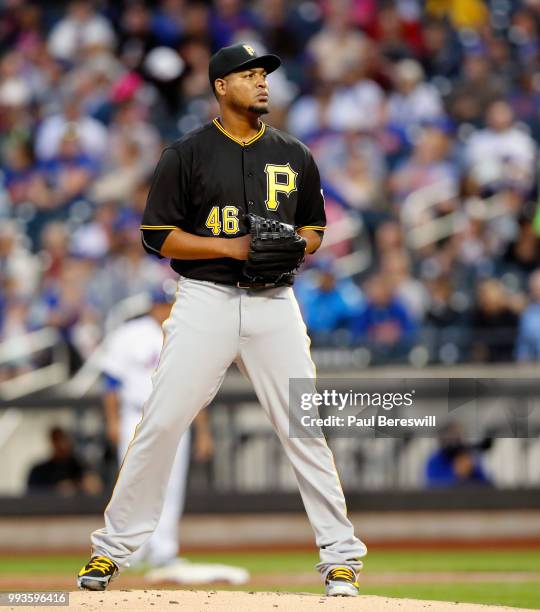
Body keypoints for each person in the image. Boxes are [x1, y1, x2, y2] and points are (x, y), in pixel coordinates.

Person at [77, 43, 366, 597]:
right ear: (220, 86)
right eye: (249, 75)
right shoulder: (185, 154)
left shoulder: (294, 153)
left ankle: (341, 557)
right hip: (205, 298)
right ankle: (110, 551)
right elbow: (157, 235)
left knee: (305, 428)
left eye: (264, 75)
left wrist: (294, 246)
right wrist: (234, 248)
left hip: (275, 303)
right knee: (160, 423)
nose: (261, 83)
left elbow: (314, 228)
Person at [100, 288, 247, 584]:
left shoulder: (187, 331)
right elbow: (111, 381)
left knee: (172, 483)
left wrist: (203, 431)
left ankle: (163, 549)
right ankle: (127, 549)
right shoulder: (130, 334)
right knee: (131, 481)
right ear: (151, 305)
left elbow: (197, 386)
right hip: (136, 414)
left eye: (169, 303)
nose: (163, 308)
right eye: (160, 303)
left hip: (177, 415)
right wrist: (112, 421)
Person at [27, 426, 102, 496]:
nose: (62, 444)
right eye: (57, 440)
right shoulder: (39, 471)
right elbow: (33, 496)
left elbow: (95, 486)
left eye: (64, 439)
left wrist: (75, 485)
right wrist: (56, 490)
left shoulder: (78, 466)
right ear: (52, 442)